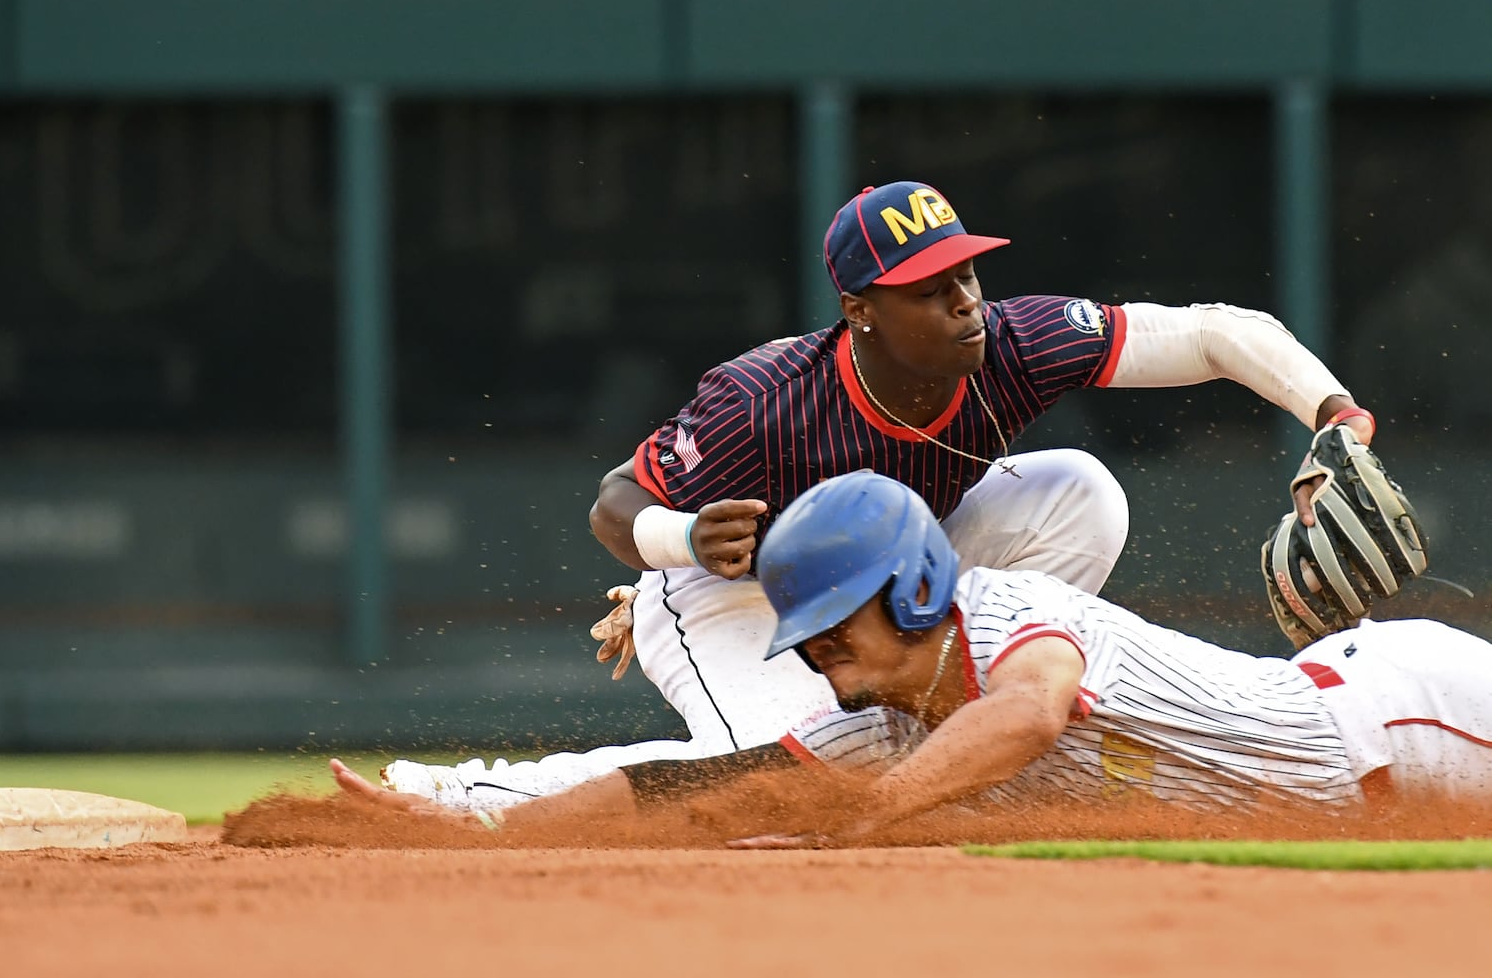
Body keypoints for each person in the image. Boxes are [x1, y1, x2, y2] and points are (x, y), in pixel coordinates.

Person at [379, 179, 1378, 812]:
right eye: (927, 286)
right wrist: (679, 540)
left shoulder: (1012, 346)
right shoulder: (767, 402)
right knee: (783, 769)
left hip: (881, 577)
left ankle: (957, 727)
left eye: (965, 274)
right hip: (731, 592)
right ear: (858, 308)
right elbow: (611, 506)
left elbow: (1207, 332)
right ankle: (476, 796)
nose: (962, 301)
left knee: (1081, 492)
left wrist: (1331, 411)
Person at [331, 471, 1492, 843]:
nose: (827, 665)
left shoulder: (1011, 615)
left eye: (841, 632)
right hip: (1361, 776)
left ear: (918, 587)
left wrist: (866, 810)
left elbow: (1033, 713)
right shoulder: (881, 719)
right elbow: (688, 788)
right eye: (813, 643)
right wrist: (475, 821)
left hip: (1399, 715)